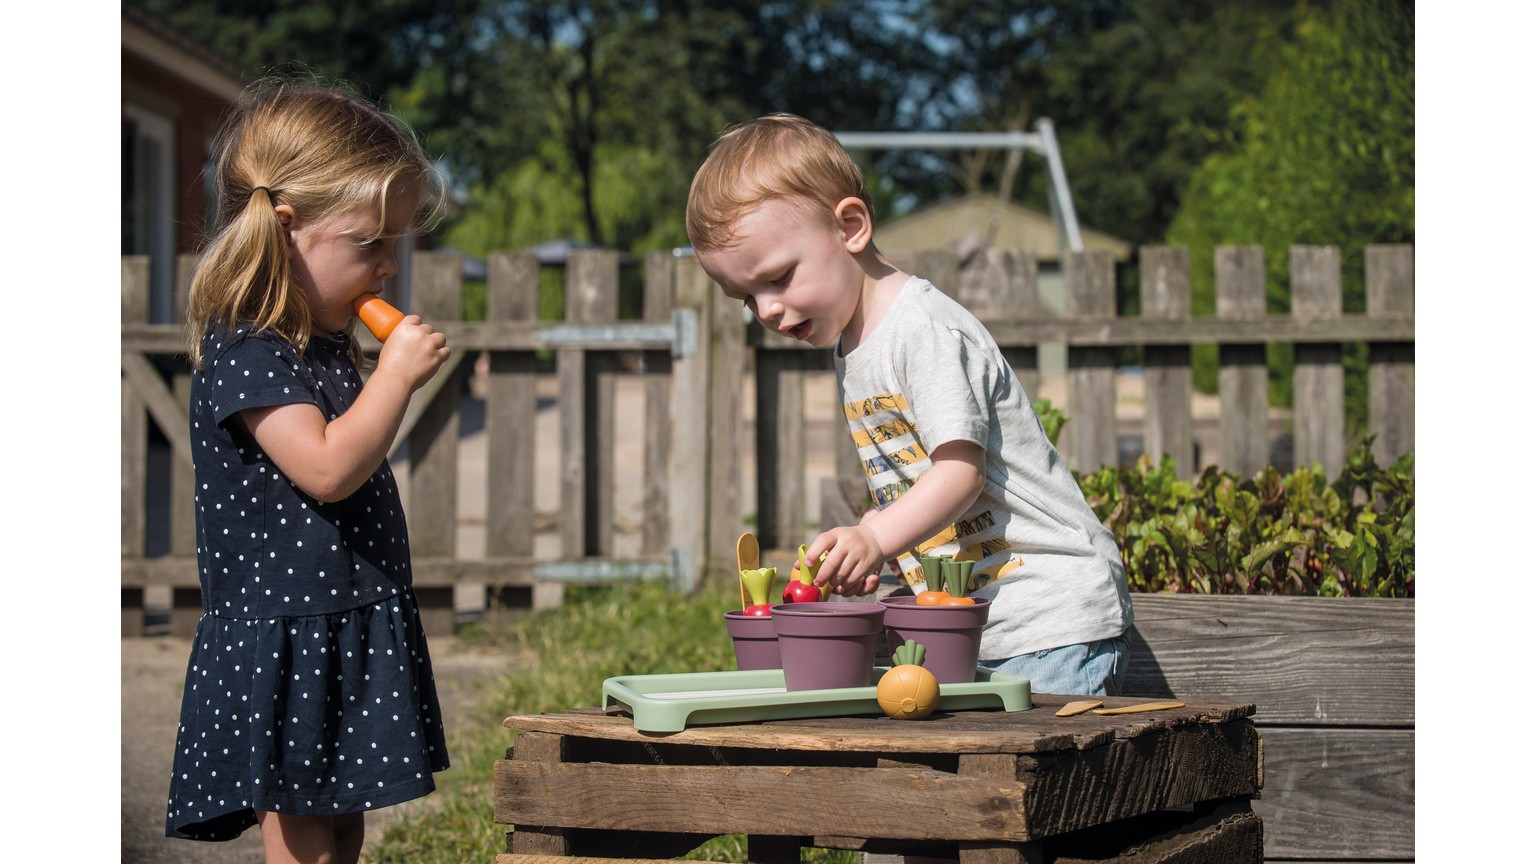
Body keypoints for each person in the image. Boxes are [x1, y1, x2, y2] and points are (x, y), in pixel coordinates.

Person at [685, 114, 1134, 696]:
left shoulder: (923, 329)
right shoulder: (858, 344)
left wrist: (878, 538)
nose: (767, 310)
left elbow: (958, 472)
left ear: (850, 226)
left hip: (1046, 618)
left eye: (779, 277)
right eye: (747, 297)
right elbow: (913, 483)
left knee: (1030, 778)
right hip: (971, 624)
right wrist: (873, 536)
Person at [166, 76, 453, 863]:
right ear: (287, 229)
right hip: (289, 631)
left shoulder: (319, 344)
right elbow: (325, 469)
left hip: (344, 615)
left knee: (345, 821)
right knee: (304, 834)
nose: (389, 266)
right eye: (371, 243)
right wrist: (393, 378)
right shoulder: (249, 349)